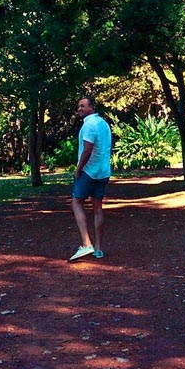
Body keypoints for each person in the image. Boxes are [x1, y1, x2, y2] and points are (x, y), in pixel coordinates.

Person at [69, 95, 112, 261]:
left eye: (83, 106)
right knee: (97, 207)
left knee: (76, 202)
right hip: (103, 172)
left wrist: (78, 169)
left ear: (91, 108)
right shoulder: (103, 124)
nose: (80, 109)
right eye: (78, 106)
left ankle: (86, 244)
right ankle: (98, 248)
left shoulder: (89, 125)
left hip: (89, 171)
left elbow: (87, 149)